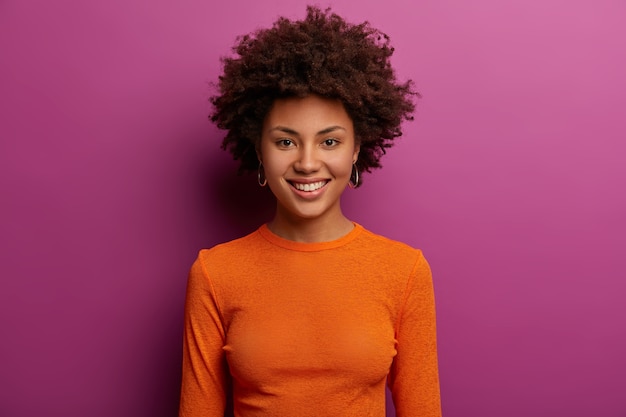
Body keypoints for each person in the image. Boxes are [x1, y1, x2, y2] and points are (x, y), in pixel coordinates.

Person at [179, 6, 441, 417]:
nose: (306, 162)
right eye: (285, 142)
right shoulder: (215, 274)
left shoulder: (404, 271)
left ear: (356, 148)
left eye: (329, 142)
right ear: (258, 150)